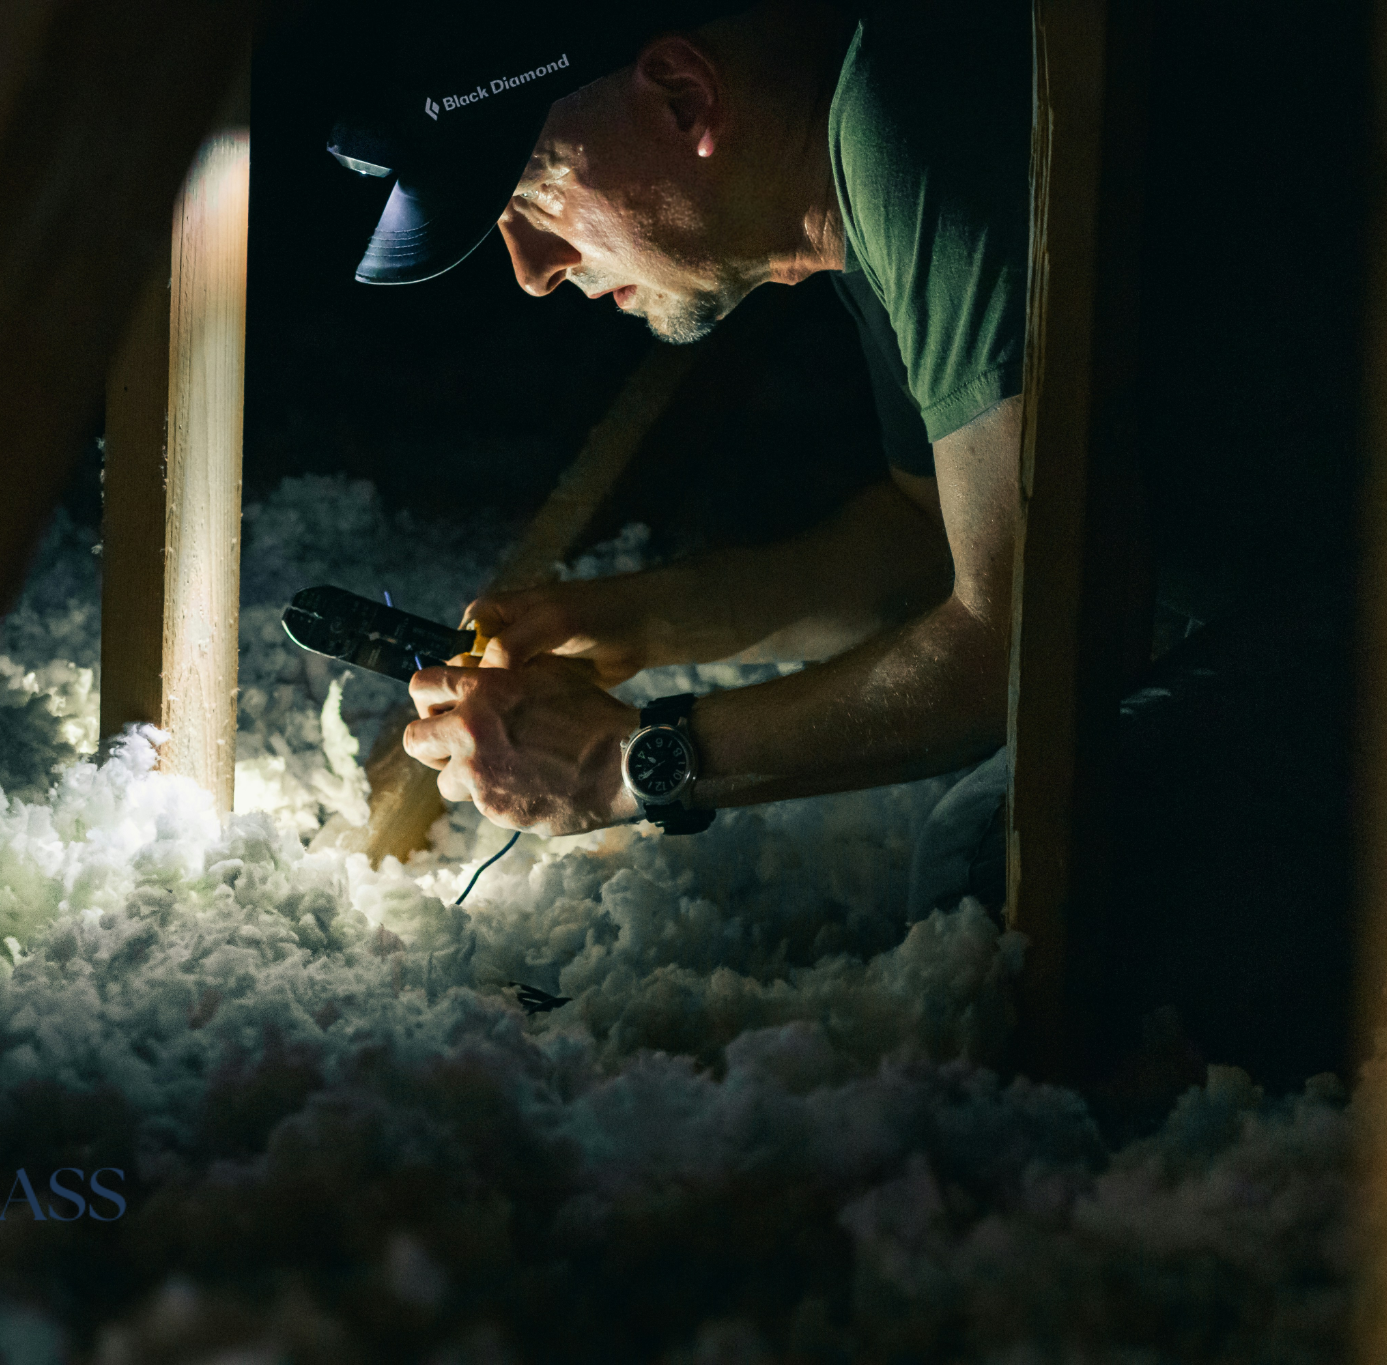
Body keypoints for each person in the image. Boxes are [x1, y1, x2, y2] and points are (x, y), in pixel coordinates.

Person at [327, 0, 1031, 911]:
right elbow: (932, 538)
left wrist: (625, 764)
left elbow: (1017, 641)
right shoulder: (846, 184)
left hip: (1271, 623)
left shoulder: (911, 123)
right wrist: (646, 621)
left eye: (534, 195)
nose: (532, 270)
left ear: (684, 97)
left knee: (981, 865)